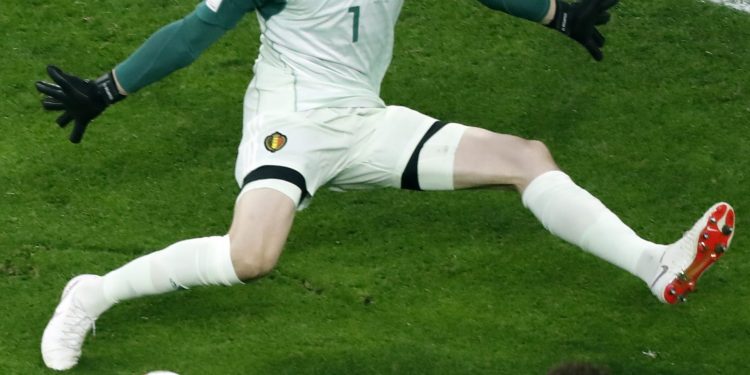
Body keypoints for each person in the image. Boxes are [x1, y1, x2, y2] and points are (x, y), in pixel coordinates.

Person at [35, 0, 735, 371]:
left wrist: (557, 13)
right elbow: (195, 30)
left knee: (525, 157)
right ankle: (93, 291)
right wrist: (108, 88)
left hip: (367, 122)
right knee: (252, 258)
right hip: (293, 125)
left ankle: (654, 261)